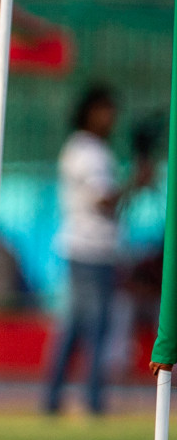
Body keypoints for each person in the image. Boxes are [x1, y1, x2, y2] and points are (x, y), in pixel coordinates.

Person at [44, 84, 150, 415]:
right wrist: (137, 181)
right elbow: (104, 201)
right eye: (107, 109)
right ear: (91, 111)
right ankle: (92, 401)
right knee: (97, 330)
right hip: (90, 250)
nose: (112, 117)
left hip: (88, 248)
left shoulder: (87, 149)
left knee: (75, 329)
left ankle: (53, 400)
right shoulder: (88, 152)